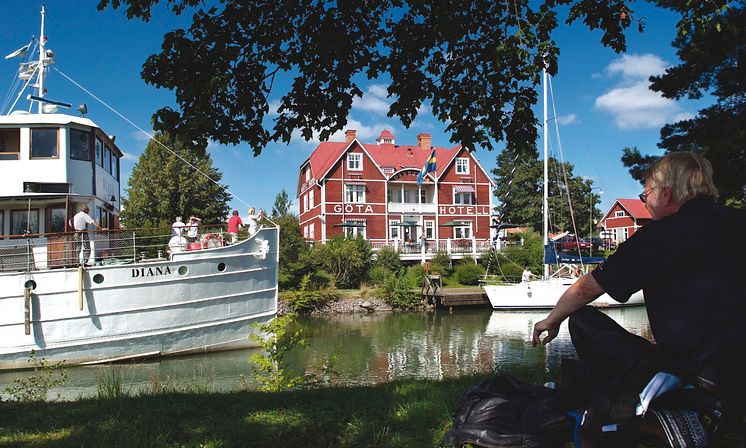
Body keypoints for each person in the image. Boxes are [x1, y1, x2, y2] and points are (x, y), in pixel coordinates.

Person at [531, 152, 746, 447]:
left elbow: (586, 289)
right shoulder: (738, 221)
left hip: (699, 374)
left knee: (582, 320)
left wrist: (551, 320)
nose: (644, 203)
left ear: (666, 194)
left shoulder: (658, 236)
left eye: (645, 195)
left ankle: (682, 401)